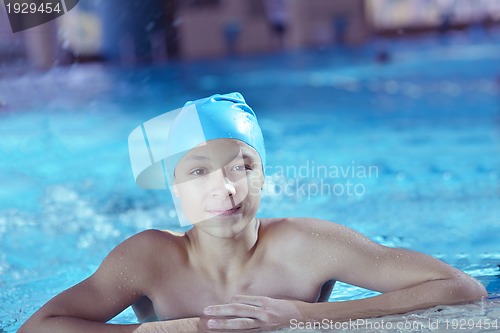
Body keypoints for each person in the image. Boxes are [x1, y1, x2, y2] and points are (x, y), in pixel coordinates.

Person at [19, 92, 487, 333]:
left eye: (241, 166)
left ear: (262, 176)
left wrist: (304, 316)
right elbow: (39, 327)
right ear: (175, 191)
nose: (224, 188)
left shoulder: (307, 244)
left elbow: (462, 287)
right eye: (198, 172)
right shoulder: (147, 258)